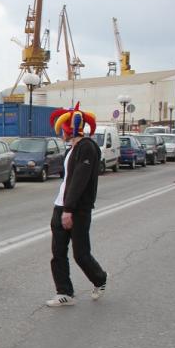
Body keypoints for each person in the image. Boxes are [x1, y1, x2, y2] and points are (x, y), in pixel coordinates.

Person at [47, 103, 108, 307]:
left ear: (69, 129)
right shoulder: (72, 150)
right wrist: (62, 207)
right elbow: (67, 181)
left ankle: (100, 278)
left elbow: (79, 181)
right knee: (58, 253)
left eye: (61, 130)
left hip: (76, 210)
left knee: (80, 253)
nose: (60, 134)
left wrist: (69, 210)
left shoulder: (87, 148)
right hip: (61, 206)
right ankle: (64, 292)